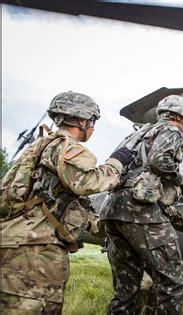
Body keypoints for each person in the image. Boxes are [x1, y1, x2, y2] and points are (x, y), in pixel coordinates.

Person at [0, 91, 134, 314]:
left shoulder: (40, 146)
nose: (92, 128)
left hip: (15, 242)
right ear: (82, 120)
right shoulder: (66, 147)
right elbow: (88, 181)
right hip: (35, 250)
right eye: (92, 122)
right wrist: (116, 163)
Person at [100, 95, 183, 314]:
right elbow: (159, 160)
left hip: (113, 209)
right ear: (178, 116)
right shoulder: (171, 131)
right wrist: (182, 181)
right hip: (140, 210)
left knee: (126, 285)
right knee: (174, 279)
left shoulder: (137, 134)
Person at [137, 205, 183, 314]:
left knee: (156, 288)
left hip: (155, 256)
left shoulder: (164, 207)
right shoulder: (130, 204)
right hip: (136, 255)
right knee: (142, 286)